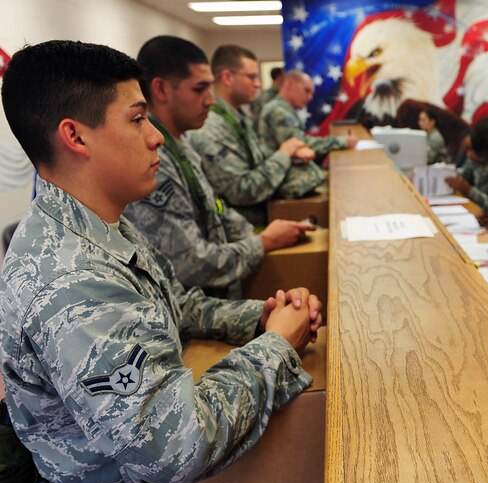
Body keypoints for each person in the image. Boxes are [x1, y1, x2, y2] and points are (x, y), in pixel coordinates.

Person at [0, 40, 323, 483]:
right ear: (75, 135)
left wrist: (261, 317)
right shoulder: (73, 281)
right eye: (137, 118)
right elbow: (175, 446)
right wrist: (276, 348)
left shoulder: (103, 227)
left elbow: (178, 305)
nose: (155, 138)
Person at [126, 36, 315, 300]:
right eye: (199, 89)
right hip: (195, 303)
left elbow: (214, 208)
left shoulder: (182, 144)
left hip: (216, 288)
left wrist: (258, 235)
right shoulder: (154, 160)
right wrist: (262, 242)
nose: (211, 100)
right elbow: (191, 263)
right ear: (161, 90)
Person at [189, 45, 325, 226]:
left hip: (263, 215)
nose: (258, 84)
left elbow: (260, 159)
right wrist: (284, 154)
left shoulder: (238, 116)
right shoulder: (210, 127)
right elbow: (242, 190)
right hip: (245, 227)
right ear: (227, 77)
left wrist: (290, 157)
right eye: (251, 77)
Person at [257, 70, 357, 158]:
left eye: (311, 93)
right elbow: (299, 143)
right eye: (307, 91)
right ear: (290, 84)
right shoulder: (277, 110)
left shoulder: (284, 108)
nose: (310, 98)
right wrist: (342, 142)